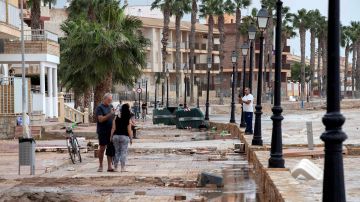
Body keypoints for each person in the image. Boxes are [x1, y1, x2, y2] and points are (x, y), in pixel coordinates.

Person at [110, 103, 133, 172]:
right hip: (124, 137)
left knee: (116, 152)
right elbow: (129, 130)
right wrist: (131, 138)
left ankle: (115, 167)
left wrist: (111, 136)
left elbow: (113, 128)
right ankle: (123, 168)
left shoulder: (116, 117)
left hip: (116, 136)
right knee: (123, 152)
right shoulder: (128, 119)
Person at [95, 93, 115, 172]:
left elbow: (113, 118)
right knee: (102, 148)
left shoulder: (111, 106)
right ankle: (100, 165)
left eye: (111, 100)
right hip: (102, 131)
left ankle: (109, 166)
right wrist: (110, 114)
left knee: (110, 148)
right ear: (105, 99)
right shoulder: (100, 107)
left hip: (110, 131)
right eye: (109, 100)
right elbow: (100, 119)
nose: (110, 101)